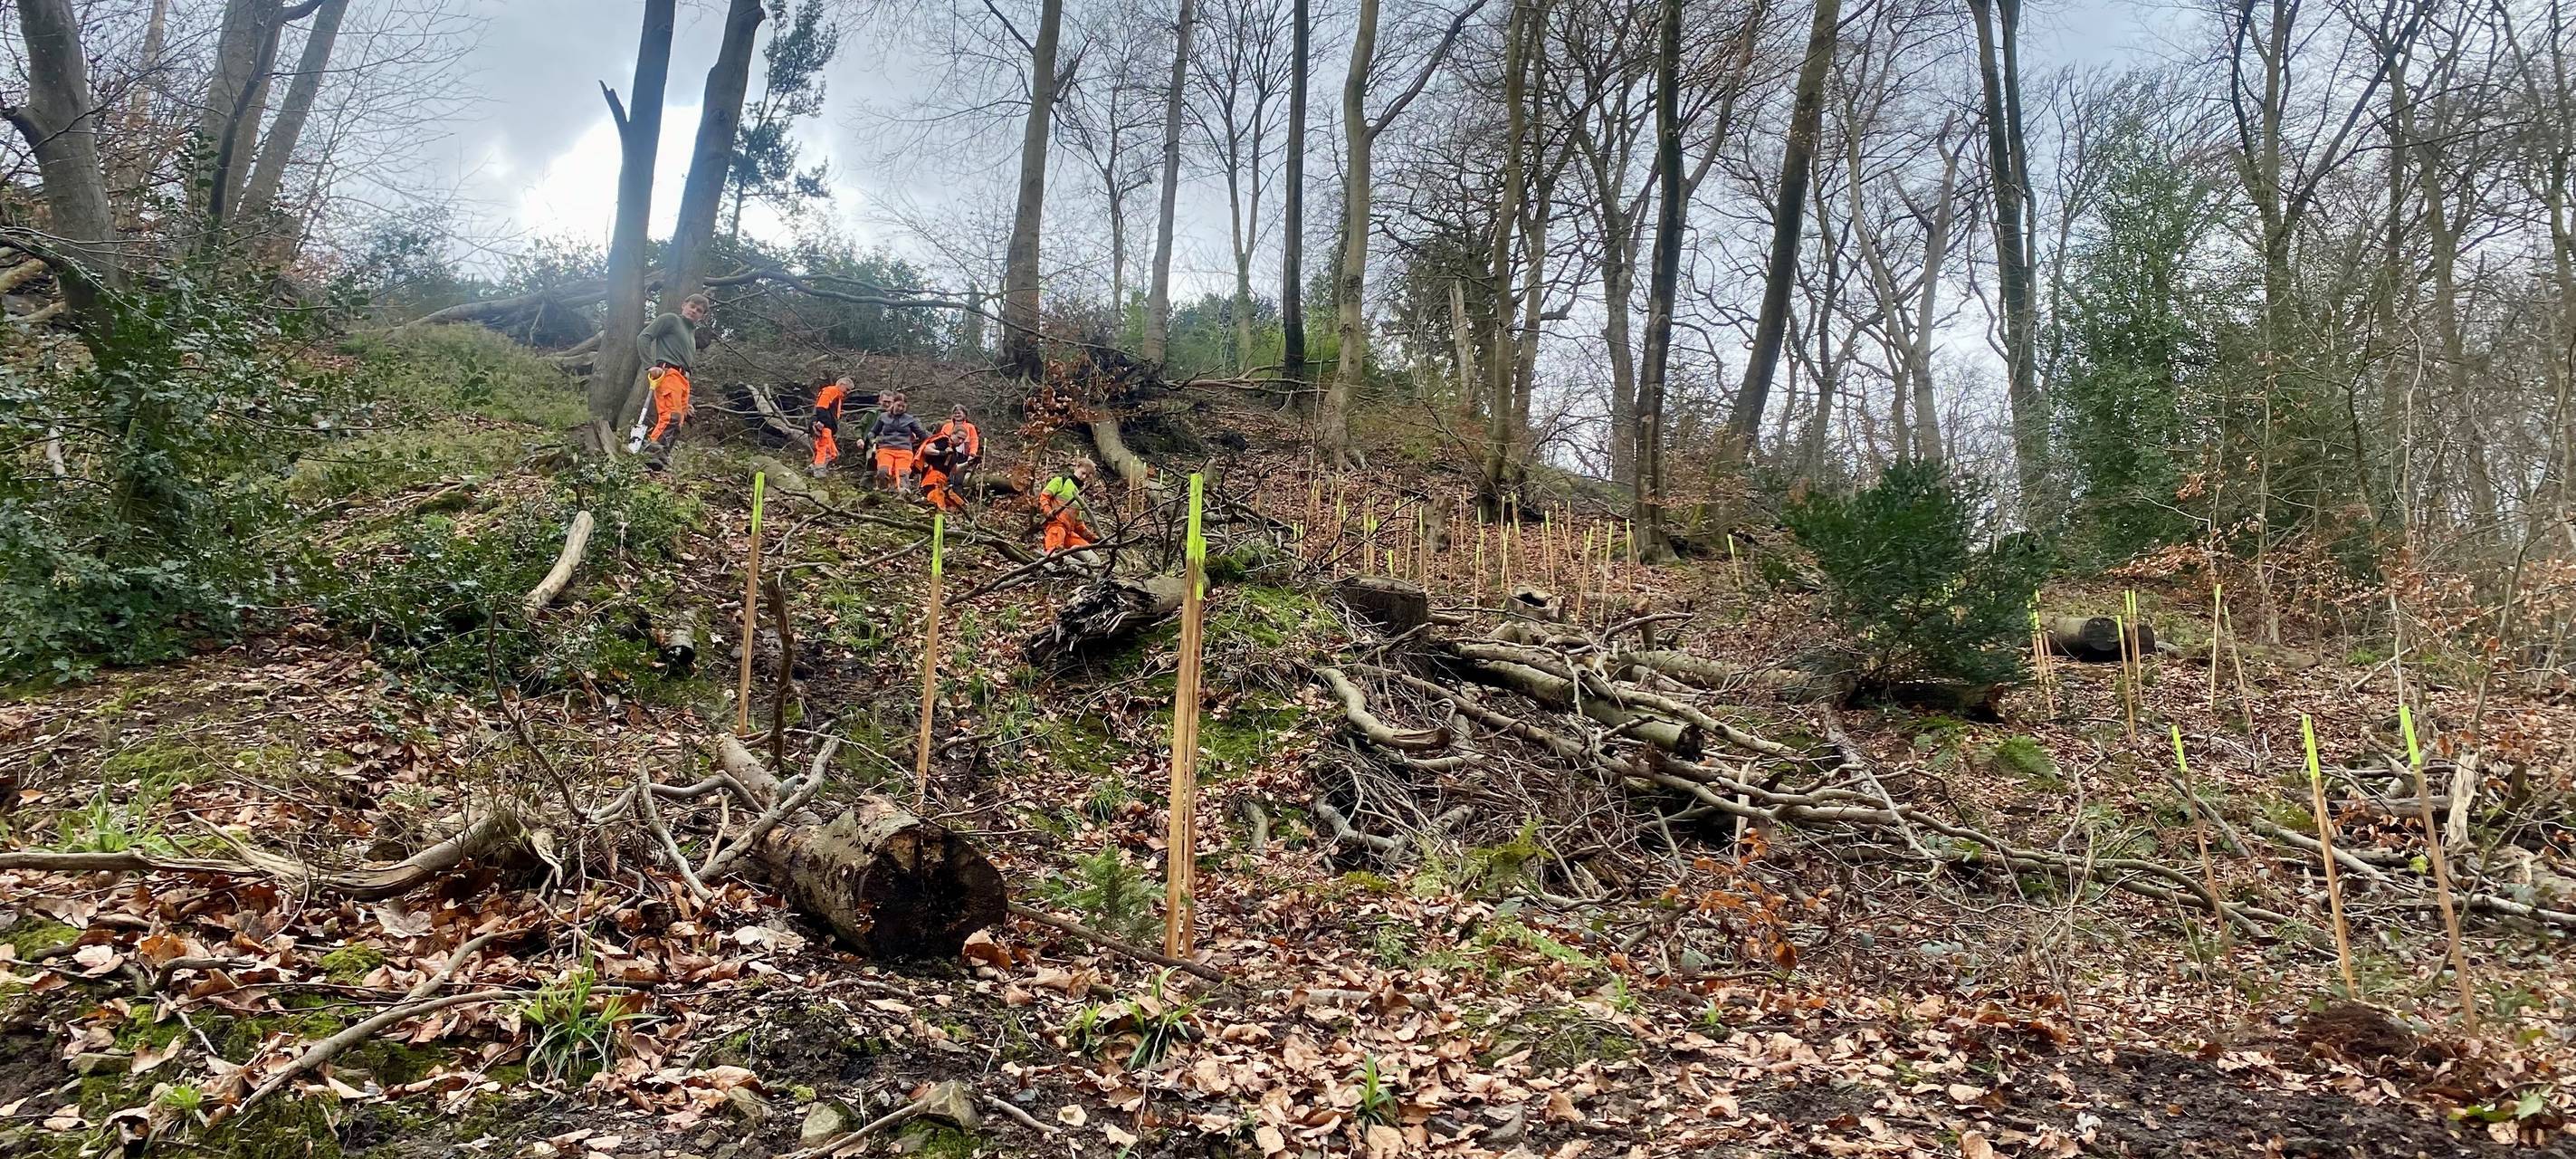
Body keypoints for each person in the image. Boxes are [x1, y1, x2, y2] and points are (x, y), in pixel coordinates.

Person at [636, 293, 711, 455]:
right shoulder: (671, 319)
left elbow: (683, 364)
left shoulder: (691, 334)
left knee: (678, 424)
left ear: (702, 316)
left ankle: (660, 460)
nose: (694, 311)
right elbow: (644, 337)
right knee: (671, 417)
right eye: (692, 306)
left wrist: (686, 402)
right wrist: (650, 366)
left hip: (683, 380)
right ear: (684, 305)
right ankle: (649, 456)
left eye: (699, 310)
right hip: (668, 373)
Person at [866, 391, 930, 493]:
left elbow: (922, 434)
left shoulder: (910, 419)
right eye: (898, 405)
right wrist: (873, 440)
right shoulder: (883, 417)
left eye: (903, 407)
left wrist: (931, 443)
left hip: (904, 450)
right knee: (883, 471)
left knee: (902, 474)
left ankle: (902, 495)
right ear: (894, 403)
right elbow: (873, 432)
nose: (900, 409)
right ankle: (883, 493)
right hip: (885, 448)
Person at [1038, 460, 1097, 554]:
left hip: (1069, 533)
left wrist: (1091, 537)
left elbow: (1078, 522)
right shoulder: (1060, 481)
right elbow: (1044, 496)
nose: (1083, 477)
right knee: (1055, 549)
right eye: (1083, 473)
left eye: (1087, 476)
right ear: (1076, 467)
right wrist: (1048, 511)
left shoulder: (1079, 494)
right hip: (1056, 526)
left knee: (1086, 549)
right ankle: (1052, 558)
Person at [930, 405, 983, 494]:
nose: (957, 415)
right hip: (948, 456)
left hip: (963, 455)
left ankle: (958, 498)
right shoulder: (947, 426)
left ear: (965, 414)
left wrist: (972, 454)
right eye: (955, 413)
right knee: (947, 478)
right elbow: (941, 438)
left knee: (959, 479)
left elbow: (974, 441)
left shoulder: (970, 427)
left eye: (959, 413)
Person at [916, 429, 968, 512]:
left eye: (963, 440)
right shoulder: (944, 441)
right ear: (952, 434)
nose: (961, 441)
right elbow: (927, 449)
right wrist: (942, 453)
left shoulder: (954, 452)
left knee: (961, 506)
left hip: (943, 484)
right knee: (939, 506)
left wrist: (969, 464)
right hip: (932, 480)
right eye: (959, 438)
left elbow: (954, 469)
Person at [810, 376, 850, 474]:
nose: (848, 392)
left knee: (833, 453)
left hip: (828, 427)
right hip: (824, 426)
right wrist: (822, 423)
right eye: (847, 389)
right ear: (841, 385)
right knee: (824, 450)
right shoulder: (831, 391)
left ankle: (812, 468)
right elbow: (821, 407)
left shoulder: (837, 396)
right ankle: (819, 472)